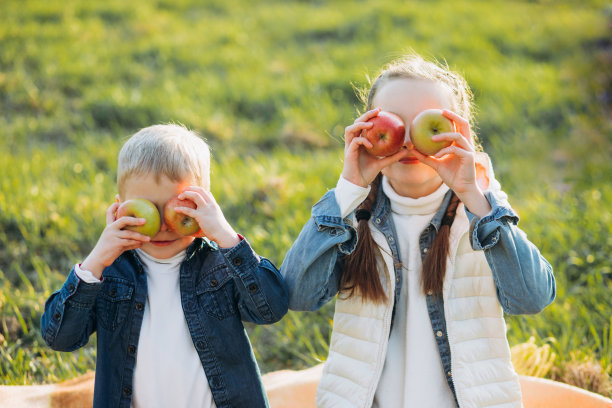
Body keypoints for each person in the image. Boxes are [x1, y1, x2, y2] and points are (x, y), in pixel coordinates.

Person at [280, 53, 556, 408]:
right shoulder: (350, 211)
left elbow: (531, 298)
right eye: (394, 123)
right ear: (366, 129)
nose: (409, 140)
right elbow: (297, 295)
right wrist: (347, 190)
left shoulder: (482, 211)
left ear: (459, 133)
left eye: (428, 123)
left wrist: (476, 198)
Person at [41, 124, 288, 408]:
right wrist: (95, 262)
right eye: (146, 209)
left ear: (204, 206)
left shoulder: (219, 266)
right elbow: (59, 337)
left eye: (177, 208)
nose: (161, 227)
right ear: (120, 208)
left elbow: (271, 308)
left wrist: (227, 238)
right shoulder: (108, 274)